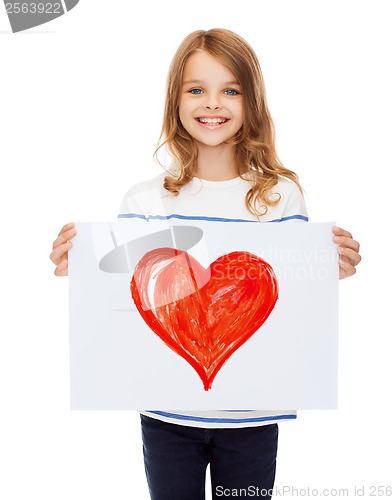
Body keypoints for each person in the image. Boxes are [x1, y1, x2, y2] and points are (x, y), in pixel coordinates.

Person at [50, 29, 361, 500]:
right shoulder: (145, 199)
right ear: (175, 99)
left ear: (250, 101)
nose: (212, 103)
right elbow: (130, 294)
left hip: (253, 416)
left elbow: (291, 291)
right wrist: (84, 272)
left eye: (230, 90)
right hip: (166, 415)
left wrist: (328, 268)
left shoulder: (279, 196)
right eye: (196, 89)